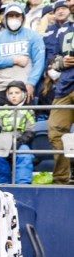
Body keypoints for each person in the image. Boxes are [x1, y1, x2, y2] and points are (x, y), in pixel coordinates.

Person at [0, 3, 46, 106]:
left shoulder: (33, 36)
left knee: (25, 121)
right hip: (0, 86)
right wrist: (14, 60)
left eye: (17, 15)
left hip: (24, 86)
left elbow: (39, 62)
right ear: (5, 18)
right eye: (11, 15)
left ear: (22, 17)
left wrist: (31, 83)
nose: (14, 18)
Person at [0, 81, 35, 184]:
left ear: (23, 94)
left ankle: (23, 185)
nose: (13, 96)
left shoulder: (29, 111)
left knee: (24, 155)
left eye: (17, 93)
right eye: (11, 93)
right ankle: (5, 184)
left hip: (20, 143)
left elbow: (30, 132)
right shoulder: (1, 110)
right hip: (3, 143)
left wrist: (19, 142)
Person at [47, 10, 74, 184]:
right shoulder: (63, 30)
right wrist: (60, 62)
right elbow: (52, 59)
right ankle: (61, 179)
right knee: (55, 133)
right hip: (65, 86)